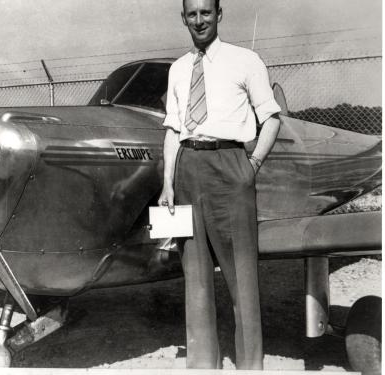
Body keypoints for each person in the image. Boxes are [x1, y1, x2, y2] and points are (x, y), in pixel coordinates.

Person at [158, 0, 281, 370]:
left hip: (231, 165)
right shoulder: (179, 69)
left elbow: (272, 119)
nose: (199, 20)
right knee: (194, 278)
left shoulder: (246, 61)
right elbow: (173, 131)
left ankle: (249, 365)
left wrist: (252, 164)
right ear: (184, 18)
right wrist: (167, 182)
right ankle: (202, 364)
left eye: (206, 13)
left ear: (219, 14)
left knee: (241, 276)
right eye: (192, 14)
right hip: (187, 169)